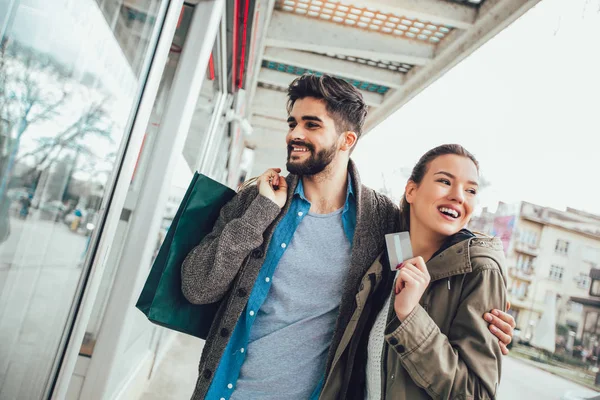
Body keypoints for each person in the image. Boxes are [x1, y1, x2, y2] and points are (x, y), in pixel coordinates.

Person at [181, 75, 514, 400]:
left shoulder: (383, 221)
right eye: (292, 123)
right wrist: (259, 214)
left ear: (347, 140)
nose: (295, 134)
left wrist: (485, 316)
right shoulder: (259, 202)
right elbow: (197, 287)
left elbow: (428, 256)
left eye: (311, 125)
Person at [320, 144, 509, 399]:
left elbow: (477, 394)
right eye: (445, 181)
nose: (458, 196)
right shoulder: (390, 249)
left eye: (471, 190)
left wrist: (410, 317)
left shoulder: (479, 269)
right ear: (411, 190)